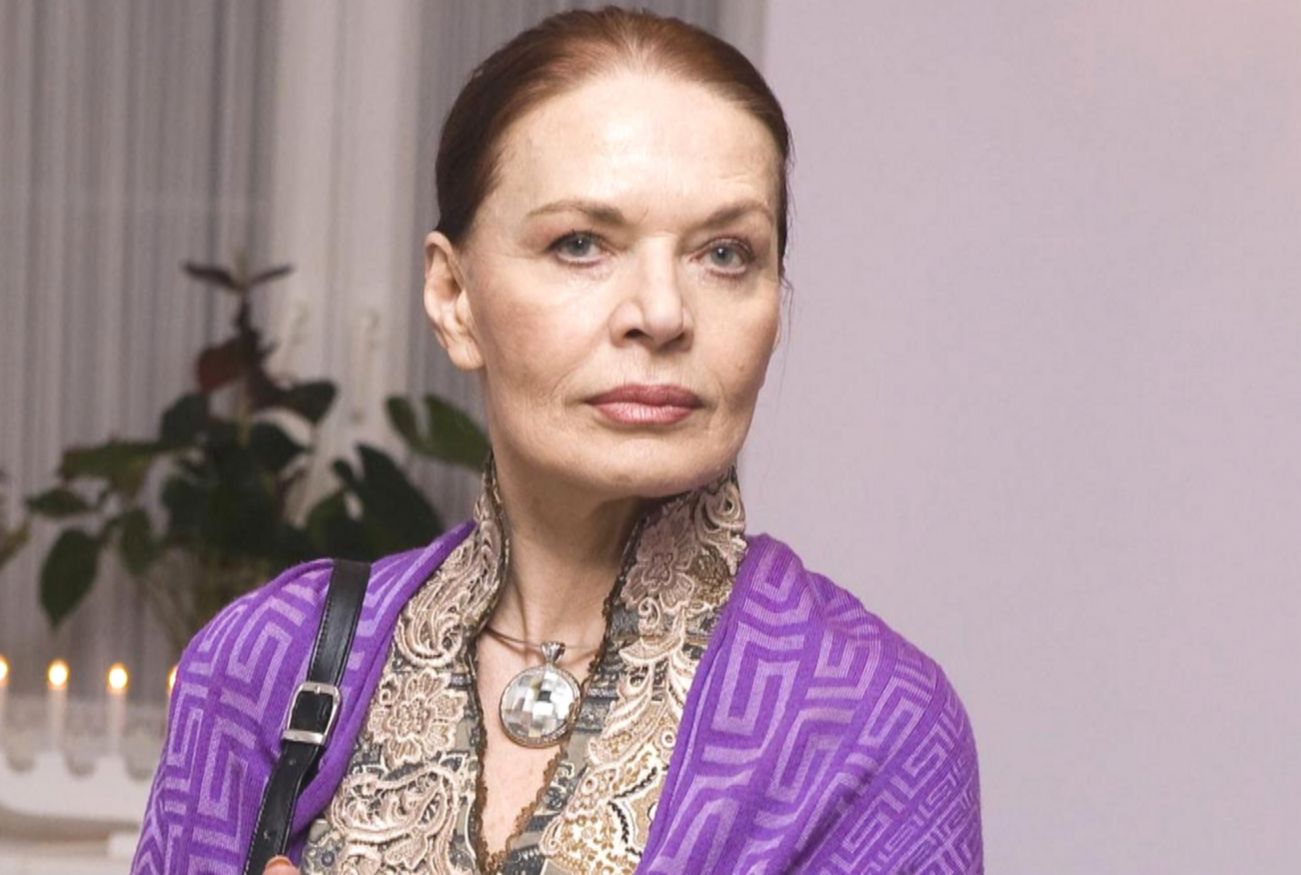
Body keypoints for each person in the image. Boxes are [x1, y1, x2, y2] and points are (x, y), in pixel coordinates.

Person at [132, 7, 982, 874]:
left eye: (725, 253)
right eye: (581, 244)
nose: (662, 312)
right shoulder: (267, 662)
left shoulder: (874, 724)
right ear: (453, 297)